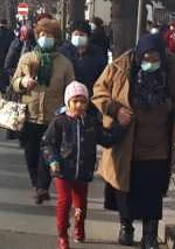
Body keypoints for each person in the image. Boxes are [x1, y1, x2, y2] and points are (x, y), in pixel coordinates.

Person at [92, 34, 175, 248]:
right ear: (139, 56)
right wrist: (115, 109)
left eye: (155, 58)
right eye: (146, 58)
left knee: (153, 191)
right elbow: (98, 91)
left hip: (158, 144)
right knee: (125, 188)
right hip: (127, 141)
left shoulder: (172, 70)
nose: (150, 62)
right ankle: (126, 227)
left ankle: (150, 234)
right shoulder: (120, 67)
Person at [42, 81, 128, 249]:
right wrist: (53, 160)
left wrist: (121, 126)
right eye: (75, 101)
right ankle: (62, 235)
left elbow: (107, 139)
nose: (80, 105)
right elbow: (48, 143)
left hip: (83, 172)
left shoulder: (91, 122)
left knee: (80, 205)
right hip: (63, 171)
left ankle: (79, 228)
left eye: (83, 101)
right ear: (68, 102)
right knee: (65, 202)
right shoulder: (60, 122)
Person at [12, 17, 75, 204]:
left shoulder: (64, 63)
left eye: (48, 35)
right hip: (30, 114)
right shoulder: (28, 58)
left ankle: (42, 187)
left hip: (53, 117)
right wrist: (23, 82)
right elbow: (14, 83)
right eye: (41, 34)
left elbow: (71, 88)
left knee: (47, 154)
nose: (44, 37)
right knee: (31, 153)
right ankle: (36, 183)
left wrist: (69, 108)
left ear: (56, 38)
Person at [58, 21, 107, 95]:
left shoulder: (97, 52)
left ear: (88, 36)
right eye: (76, 34)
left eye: (82, 35)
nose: (78, 37)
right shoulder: (63, 51)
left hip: (91, 93)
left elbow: (103, 74)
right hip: (68, 94)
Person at [0, 19, 16, 89]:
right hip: (8, 54)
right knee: (6, 71)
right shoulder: (11, 33)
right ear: (6, 24)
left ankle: (0, 85)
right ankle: (6, 85)